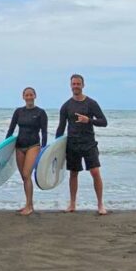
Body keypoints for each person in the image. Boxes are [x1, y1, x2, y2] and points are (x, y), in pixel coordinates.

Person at [55, 74, 108, 215]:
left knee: (95, 172)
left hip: (89, 143)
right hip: (72, 144)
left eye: (78, 84)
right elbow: (61, 127)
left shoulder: (91, 103)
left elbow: (104, 122)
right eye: (74, 84)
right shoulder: (66, 106)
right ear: (70, 85)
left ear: (83, 85)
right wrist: (55, 147)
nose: (76, 86)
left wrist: (89, 120)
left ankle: (100, 204)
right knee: (74, 173)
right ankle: (72, 204)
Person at [5, 87, 48, 216]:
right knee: (24, 177)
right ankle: (28, 204)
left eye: (31, 95)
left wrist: (44, 149)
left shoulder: (40, 112)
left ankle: (29, 206)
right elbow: (11, 129)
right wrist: (4, 147)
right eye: (26, 95)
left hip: (33, 145)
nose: (29, 97)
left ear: (35, 96)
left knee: (26, 173)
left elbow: (44, 131)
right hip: (19, 146)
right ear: (23, 97)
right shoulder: (18, 112)